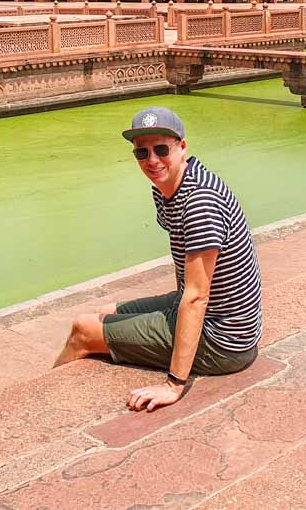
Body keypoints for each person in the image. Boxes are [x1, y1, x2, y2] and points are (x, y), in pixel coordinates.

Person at [54, 107, 262, 412]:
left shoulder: (200, 202)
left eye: (161, 149)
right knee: (102, 313)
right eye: (142, 153)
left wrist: (174, 384)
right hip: (224, 321)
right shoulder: (173, 189)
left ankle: (47, 402)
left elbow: (196, 297)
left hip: (223, 339)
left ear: (182, 147)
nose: (152, 160)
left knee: (83, 330)